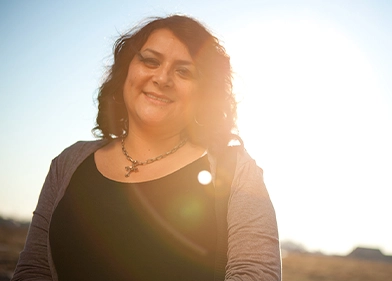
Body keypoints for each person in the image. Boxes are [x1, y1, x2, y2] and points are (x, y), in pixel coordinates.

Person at [12, 15, 281, 281]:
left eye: (183, 71)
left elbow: (256, 275)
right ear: (126, 70)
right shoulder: (69, 162)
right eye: (150, 61)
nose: (162, 78)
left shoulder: (235, 171)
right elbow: (33, 270)